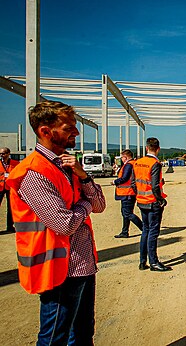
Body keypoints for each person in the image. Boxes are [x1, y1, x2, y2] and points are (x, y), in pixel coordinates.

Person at [6, 101, 106, 344]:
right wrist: (84, 206)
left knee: (83, 334)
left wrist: (84, 176)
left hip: (82, 265)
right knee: (54, 338)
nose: (76, 132)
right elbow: (65, 224)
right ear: (45, 131)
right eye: (69, 127)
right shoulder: (34, 173)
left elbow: (100, 204)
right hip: (60, 272)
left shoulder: (66, 165)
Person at [134, 137, 171, 272]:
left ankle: (142, 261)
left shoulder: (138, 163)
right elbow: (155, 186)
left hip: (141, 201)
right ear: (158, 149)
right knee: (153, 233)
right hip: (152, 202)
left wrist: (139, 195)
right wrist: (160, 200)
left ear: (146, 148)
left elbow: (134, 183)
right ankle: (154, 262)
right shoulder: (155, 163)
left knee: (145, 230)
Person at [112, 149, 143, 238]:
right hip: (130, 192)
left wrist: (115, 181)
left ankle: (144, 228)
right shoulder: (134, 163)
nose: (121, 159)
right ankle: (124, 231)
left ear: (125, 157)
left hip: (127, 193)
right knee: (125, 213)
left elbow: (124, 178)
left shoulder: (128, 165)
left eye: (122, 157)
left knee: (127, 213)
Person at [0, 147, 20, 232]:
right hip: (0, 187)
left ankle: (10, 227)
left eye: (3, 153)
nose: (1, 155)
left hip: (10, 188)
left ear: (8, 153)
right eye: (0, 154)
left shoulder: (16, 163)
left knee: (11, 208)